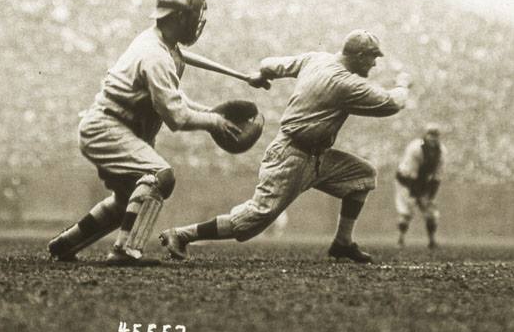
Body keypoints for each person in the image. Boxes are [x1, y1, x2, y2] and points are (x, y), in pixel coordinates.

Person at [160, 30, 411, 263]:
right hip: (291, 156)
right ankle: (181, 234)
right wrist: (403, 85)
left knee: (363, 176)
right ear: (358, 56)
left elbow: (268, 64)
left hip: (316, 157)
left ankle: (343, 242)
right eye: (372, 57)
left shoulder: (316, 59)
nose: (374, 63)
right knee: (252, 220)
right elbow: (390, 104)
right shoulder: (344, 83)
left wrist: (263, 75)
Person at [48, 0, 245, 265]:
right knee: (160, 176)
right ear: (178, 18)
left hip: (112, 125)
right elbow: (177, 117)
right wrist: (213, 120)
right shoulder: (156, 57)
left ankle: (66, 244)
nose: (196, 24)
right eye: (192, 17)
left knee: (127, 201)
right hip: (108, 127)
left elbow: (176, 92)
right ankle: (126, 250)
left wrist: (212, 109)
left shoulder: (158, 43)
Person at [395, 124, 446, 248]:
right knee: (407, 210)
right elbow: (411, 175)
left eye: (435, 135)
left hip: (423, 181)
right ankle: (400, 239)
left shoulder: (442, 151)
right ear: (425, 136)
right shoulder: (415, 149)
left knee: (431, 212)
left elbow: (437, 176)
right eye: (430, 135)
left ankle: (432, 240)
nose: (433, 138)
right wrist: (415, 195)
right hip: (406, 181)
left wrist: (431, 196)